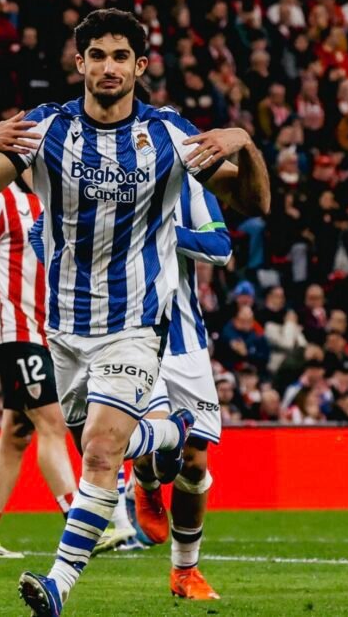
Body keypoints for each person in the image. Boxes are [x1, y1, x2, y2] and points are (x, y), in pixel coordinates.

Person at [0, 8, 269, 616]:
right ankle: (172, 431)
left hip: (135, 324)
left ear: (140, 66)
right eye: (97, 55)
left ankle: (58, 585)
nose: (108, 67)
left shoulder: (169, 134)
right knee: (105, 448)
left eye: (121, 56)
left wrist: (247, 146)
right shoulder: (46, 128)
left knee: (100, 453)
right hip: (64, 329)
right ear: (80, 63)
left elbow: (251, 203)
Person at [0, 176, 77, 559]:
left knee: (16, 433)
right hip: (13, 329)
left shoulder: (55, 200)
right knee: (52, 421)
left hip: (49, 332)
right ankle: (83, 523)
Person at [131, 180, 232, 600]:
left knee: (194, 463)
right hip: (130, 335)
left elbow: (220, 248)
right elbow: (43, 234)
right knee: (157, 443)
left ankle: (185, 571)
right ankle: (145, 478)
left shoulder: (190, 184)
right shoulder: (106, 176)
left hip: (186, 340)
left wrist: (161, 231)